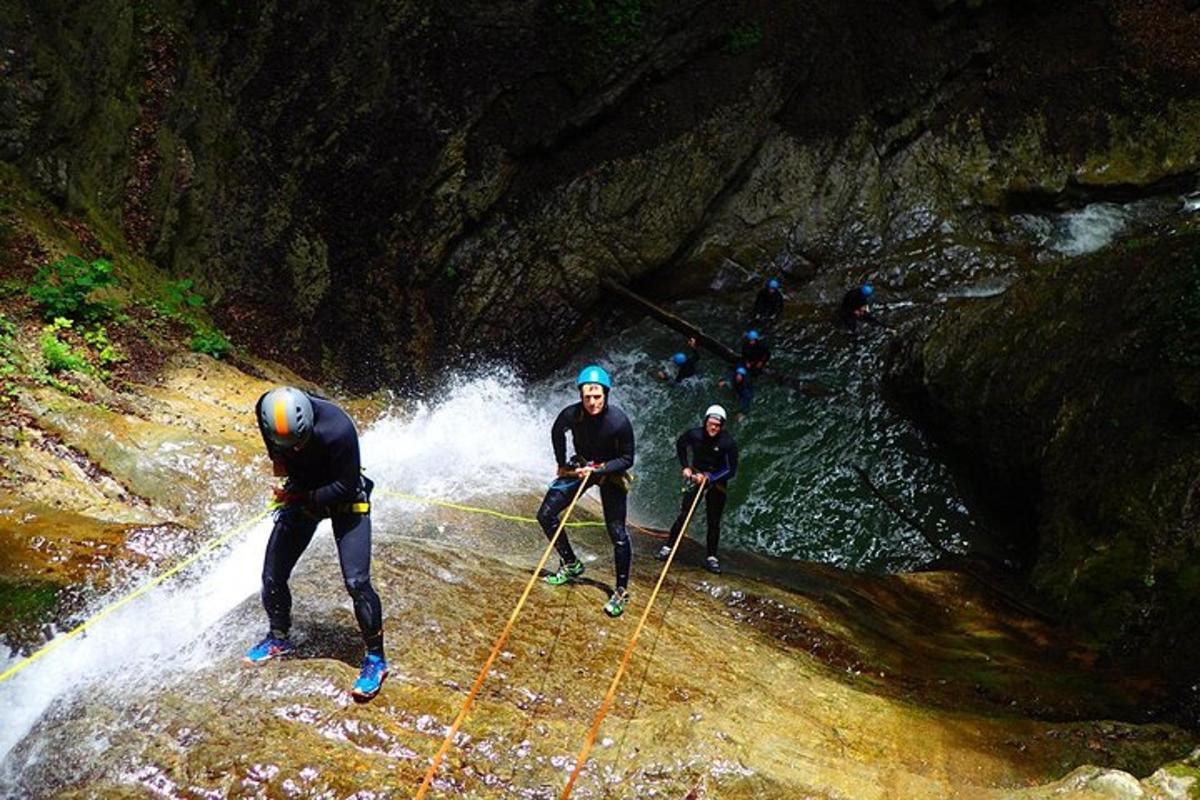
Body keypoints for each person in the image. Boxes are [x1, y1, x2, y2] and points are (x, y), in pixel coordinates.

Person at [244, 386, 387, 701]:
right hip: (302, 493)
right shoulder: (265, 412)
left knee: (357, 581)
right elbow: (280, 460)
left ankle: (376, 659)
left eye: (300, 443)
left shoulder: (338, 428)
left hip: (344, 497)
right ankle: (279, 635)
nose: (294, 450)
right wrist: (289, 487)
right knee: (272, 574)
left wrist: (298, 498)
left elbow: (346, 486)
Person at [537, 365, 636, 617]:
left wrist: (599, 470)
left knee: (618, 534)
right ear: (581, 396)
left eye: (597, 397)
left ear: (606, 395)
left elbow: (627, 459)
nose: (592, 402)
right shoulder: (571, 415)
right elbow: (556, 432)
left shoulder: (618, 422)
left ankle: (621, 590)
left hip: (609, 473)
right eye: (587, 397)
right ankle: (571, 563)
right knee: (545, 515)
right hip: (581, 466)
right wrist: (562, 464)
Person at [657, 404, 739, 574]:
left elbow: (731, 469)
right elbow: (681, 444)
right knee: (684, 515)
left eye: (717, 425)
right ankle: (668, 547)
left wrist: (711, 478)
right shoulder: (695, 434)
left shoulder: (727, 443)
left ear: (722, 426)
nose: (713, 428)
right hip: (696, 476)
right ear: (705, 422)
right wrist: (685, 466)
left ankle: (711, 557)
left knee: (713, 521)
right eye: (711, 424)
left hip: (717, 483)